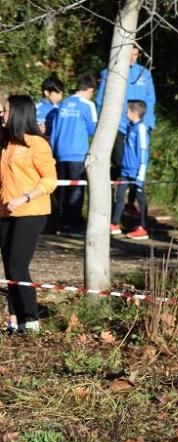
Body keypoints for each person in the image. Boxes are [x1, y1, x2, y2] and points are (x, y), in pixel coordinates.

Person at [0, 95, 58, 334]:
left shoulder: (37, 143)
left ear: (18, 113)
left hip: (31, 211)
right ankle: (15, 320)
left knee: (17, 266)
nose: (1, 114)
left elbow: (50, 180)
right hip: (5, 210)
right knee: (8, 267)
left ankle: (31, 321)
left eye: (4, 110)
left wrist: (25, 197)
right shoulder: (5, 142)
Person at [97, 45, 155, 186]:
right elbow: (100, 100)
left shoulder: (144, 74)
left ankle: (131, 199)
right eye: (130, 54)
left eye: (135, 54)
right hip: (118, 126)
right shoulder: (109, 73)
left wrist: (147, 124)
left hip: (139, 126)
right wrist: (103, 123)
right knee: (119, 162)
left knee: (137, 163)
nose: (132, 58)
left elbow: (150, 100)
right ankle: (112, 194)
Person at [48, 75, 97, 235]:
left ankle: (61, 224)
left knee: (62, 189)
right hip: (77, 153)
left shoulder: (63, 103)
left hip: (61, 153)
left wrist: (53, 151)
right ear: (89, 90)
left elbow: (55, 130)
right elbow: (93, 130)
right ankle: (74, 225)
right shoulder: (88, 105)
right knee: (76, 189)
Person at [111, 100, 150, 240]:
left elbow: (143, 151)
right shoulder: (129, 127)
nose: (125, 113)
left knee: (140, 199)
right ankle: (114, 223)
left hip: (136, 171)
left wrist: (141, 174)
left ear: (134, 113)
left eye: (127, 111)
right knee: (120, 196)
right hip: (126, 170)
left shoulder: (141, 128)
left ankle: (143, 227)